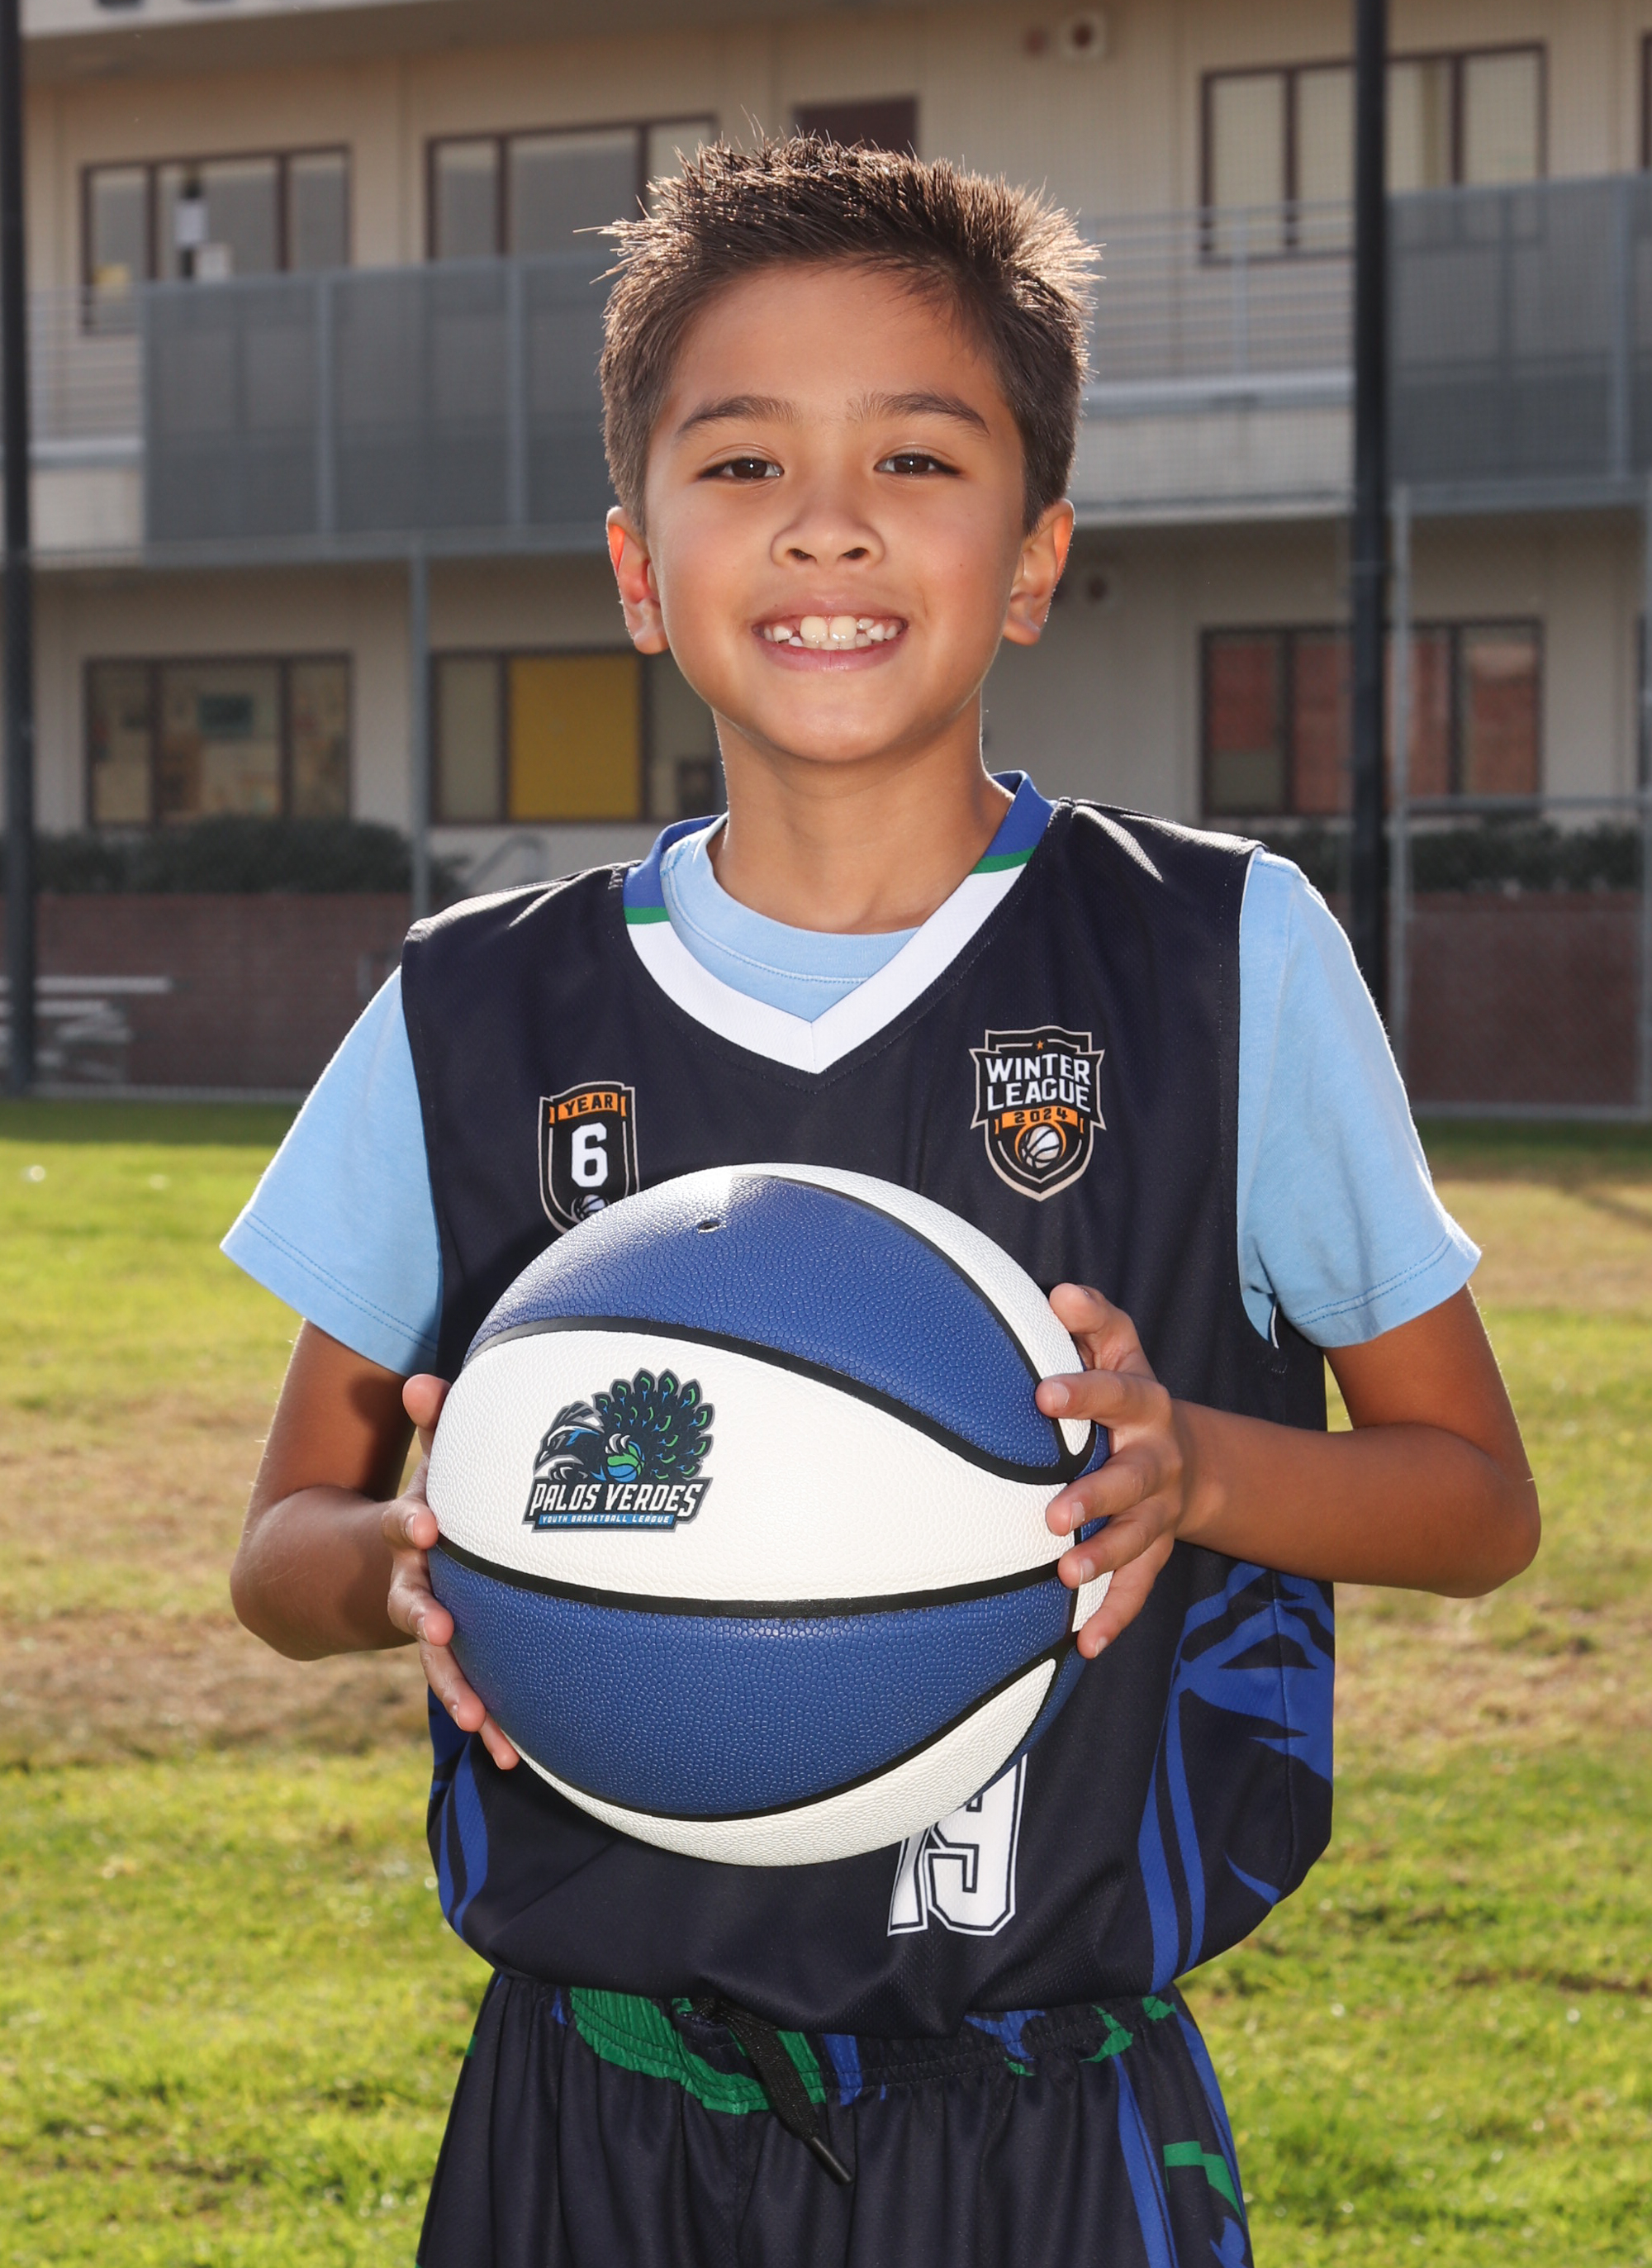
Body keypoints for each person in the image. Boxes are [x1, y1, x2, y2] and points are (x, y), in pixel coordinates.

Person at [225, 136, 1538, 2267]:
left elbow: (1476, 1506)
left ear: (1034, 557)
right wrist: (414, 1562)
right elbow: (281, 1549)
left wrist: (1199, 1471)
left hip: (1043, 2118)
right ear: (638, 568)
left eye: (917, 459)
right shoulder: (474, 1005)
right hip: (586, 2116)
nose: (827, 520)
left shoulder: (1222, 955)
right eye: (742, 461)